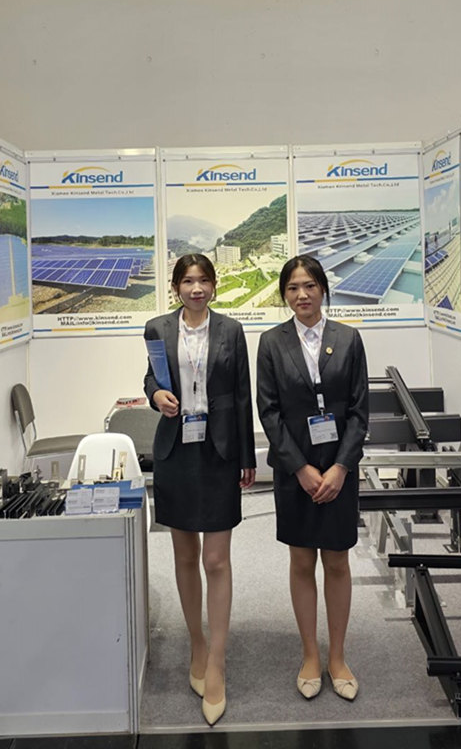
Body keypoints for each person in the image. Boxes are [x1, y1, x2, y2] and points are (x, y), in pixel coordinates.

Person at [144, 253, 256, 726]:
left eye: (203, 280)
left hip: (219, 449)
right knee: (185, 556)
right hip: (176, 452)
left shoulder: (231, 330)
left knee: (216, 560)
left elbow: (244, 394)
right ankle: (197, 643)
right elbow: (151, 376)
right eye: (188, 281)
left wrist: (248, 456)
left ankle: (217, 662)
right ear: (175, 287)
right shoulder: (157, 328)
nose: (196, 288)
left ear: (214, 285)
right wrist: (155, 395)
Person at [256, 255, 369, 702]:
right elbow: (269, 413)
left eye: (309, 286)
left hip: (339, 470)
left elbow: (359, 411)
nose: (301, 295)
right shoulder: (271, 342)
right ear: (284, 294)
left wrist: (340, 467)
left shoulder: (349, 339)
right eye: (292, 288)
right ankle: (309, 654)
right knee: (302, 562)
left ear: (323, 289)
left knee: (337, 562)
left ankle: (337, 657)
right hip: (295, 470)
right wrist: (301, 468)